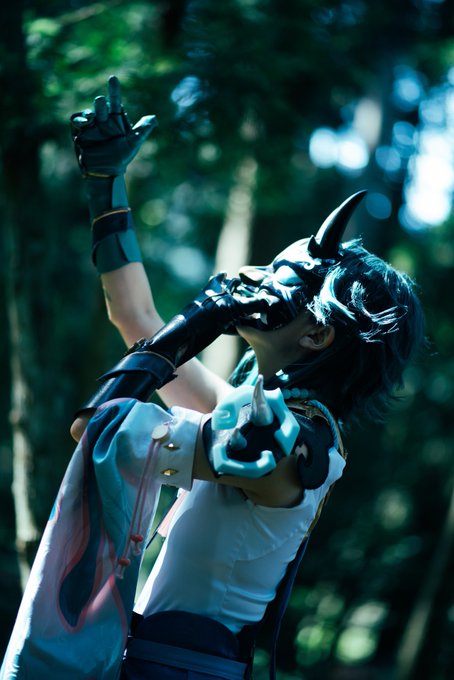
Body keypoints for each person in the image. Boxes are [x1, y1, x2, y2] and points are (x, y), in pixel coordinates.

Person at [2, 75, 424, 680]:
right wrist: (106, 184)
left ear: (317, 334)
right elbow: (137, 320)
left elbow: (99, 426)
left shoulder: (293, 444)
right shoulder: (248, 410)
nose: (253, 280)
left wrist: (203, 318)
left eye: (280, 281)